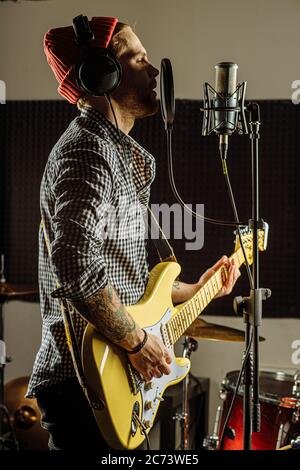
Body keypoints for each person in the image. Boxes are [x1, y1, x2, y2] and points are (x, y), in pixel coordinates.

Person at [26, 16, 241, 450]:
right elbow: (75, 266)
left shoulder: (114, 153)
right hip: (85, 382)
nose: (155, 70)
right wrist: (138, 341)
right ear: (102, 76)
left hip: (111, 380)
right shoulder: (88, 152)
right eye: (138, 58)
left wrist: (193, 290)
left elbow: (123, 280)